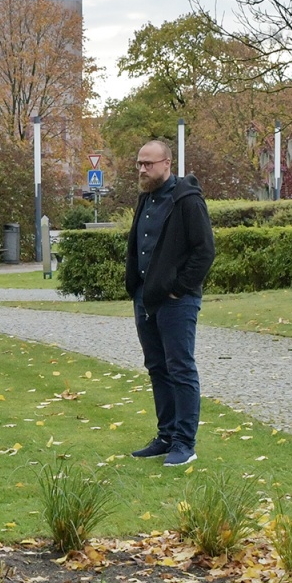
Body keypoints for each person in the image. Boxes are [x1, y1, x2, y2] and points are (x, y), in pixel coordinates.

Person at [123, 139, 216, 467]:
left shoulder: (187, 200)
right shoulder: (145, 198)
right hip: (145, 298)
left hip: (177, 302)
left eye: (148, 163)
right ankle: (166, 436)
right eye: (139, 163)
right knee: (157, 367)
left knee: (180, 368)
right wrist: (135, 287)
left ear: (167, 164)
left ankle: (184, 443)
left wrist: (179, 288)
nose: (142, 169)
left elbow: (204, 250)